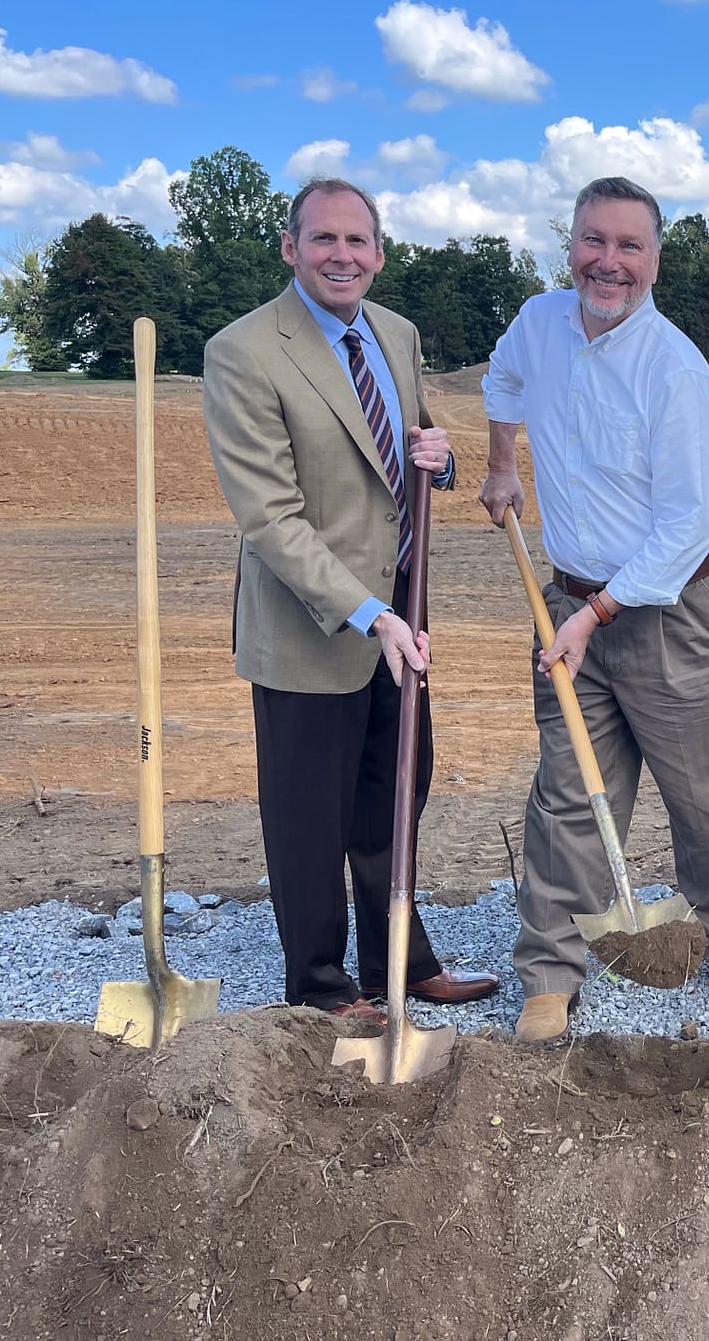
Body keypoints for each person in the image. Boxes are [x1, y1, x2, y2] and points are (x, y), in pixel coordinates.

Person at [480, 176, 709, 1045]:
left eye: (629, 246)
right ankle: (549, 969)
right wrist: (502, 466)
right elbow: (501, 382)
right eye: (593, 242)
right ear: (568, 244)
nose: (609, 262)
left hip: (675, 610)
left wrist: (595, 613)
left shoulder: (674, 369)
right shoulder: (538, 323)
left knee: (708, 798)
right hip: (569, 598)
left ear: (654, 259)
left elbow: (685, 524)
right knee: (568, 795)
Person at [201, 178, 498, 1021]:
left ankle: (398, 961)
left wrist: (438, 461)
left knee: (396, 793)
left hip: (401, 618)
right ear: (290, 248)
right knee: (308, 819)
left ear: (378, 250)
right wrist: (370, 611)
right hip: (314, 624)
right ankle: (321, 988)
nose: (342, 256)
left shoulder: (395, 334)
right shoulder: (246, 351)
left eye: (357, 241)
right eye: (323, 240)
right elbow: (270, 517)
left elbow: (407, 448)